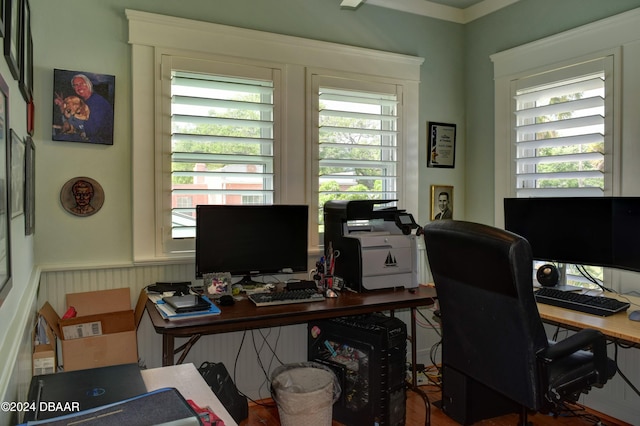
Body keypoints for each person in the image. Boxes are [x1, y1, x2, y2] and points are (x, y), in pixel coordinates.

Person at [54, 74, 114, 144]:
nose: (79, 87)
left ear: (89, 84)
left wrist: (67, 115)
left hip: (99, 141)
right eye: (75, 85)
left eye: (81, 83)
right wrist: (62, 106)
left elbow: (90, 130)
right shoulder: (85, 101)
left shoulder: (97, 102)